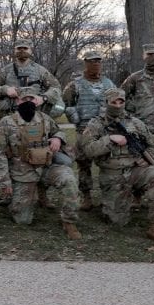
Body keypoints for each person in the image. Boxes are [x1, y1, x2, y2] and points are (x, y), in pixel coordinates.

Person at [78, 88, 154, 248]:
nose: (117, 105)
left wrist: (147, 161)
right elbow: (88, 149)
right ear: (106, 103)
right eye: (113, 102)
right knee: (117, 221)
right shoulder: (96, 124)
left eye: (121, 102)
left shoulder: (135, 122)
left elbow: (153, 141)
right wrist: (110, 139)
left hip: (136, 170)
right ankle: (123, 199)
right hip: (112, 174)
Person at [0, 87, 81, 240]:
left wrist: (58, 138)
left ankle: (69, 221)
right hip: (23, 173)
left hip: (46, 167)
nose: (28, 102)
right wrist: (4, 182)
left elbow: (59, 131)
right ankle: (16, 198)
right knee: (23, 220)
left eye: (31, 99)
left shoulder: (45, 118)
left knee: (69, 180)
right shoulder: (6, 123)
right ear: (17, 101)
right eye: (23, 99)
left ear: (37, 101)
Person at [63, 50, 116, 210]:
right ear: (85, 63)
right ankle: (86, 196)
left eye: (98, 61)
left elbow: (116, 103)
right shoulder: (75, 85)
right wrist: (73, 116)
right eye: (92, 61)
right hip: (83, 130)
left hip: (105, 131)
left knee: (108, 164)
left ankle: (108, 195)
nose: (96, 64)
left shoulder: (109, 84)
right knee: (83, 165)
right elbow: (65, 104)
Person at [0, 40, 63, 118]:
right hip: (10, 115)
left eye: (25, 48)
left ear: (31, 50)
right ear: (14, 50)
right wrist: (5, 90)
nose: (22, 51)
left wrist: (43, 98)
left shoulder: (40, 70)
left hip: (35, 115)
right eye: (19, 48)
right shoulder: (6, 70)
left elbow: (56, 88)